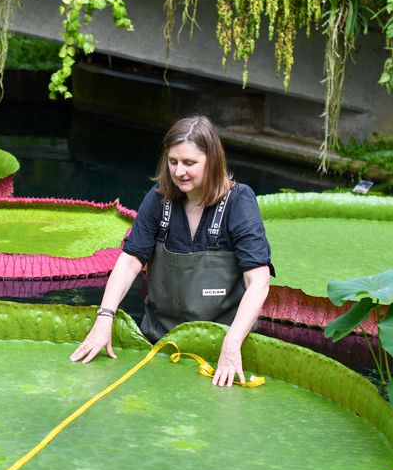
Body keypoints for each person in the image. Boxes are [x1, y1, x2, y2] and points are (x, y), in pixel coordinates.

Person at [70, 115, 272, 386]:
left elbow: (258, 281)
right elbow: (130, 261)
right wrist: (105, 317)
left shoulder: (239, 202)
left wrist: (232, 342)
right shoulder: (158, 199)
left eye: (190, 163)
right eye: (173, 162)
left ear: (212, 161)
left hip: (222, 344)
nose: (179, 172)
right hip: (160, 342)